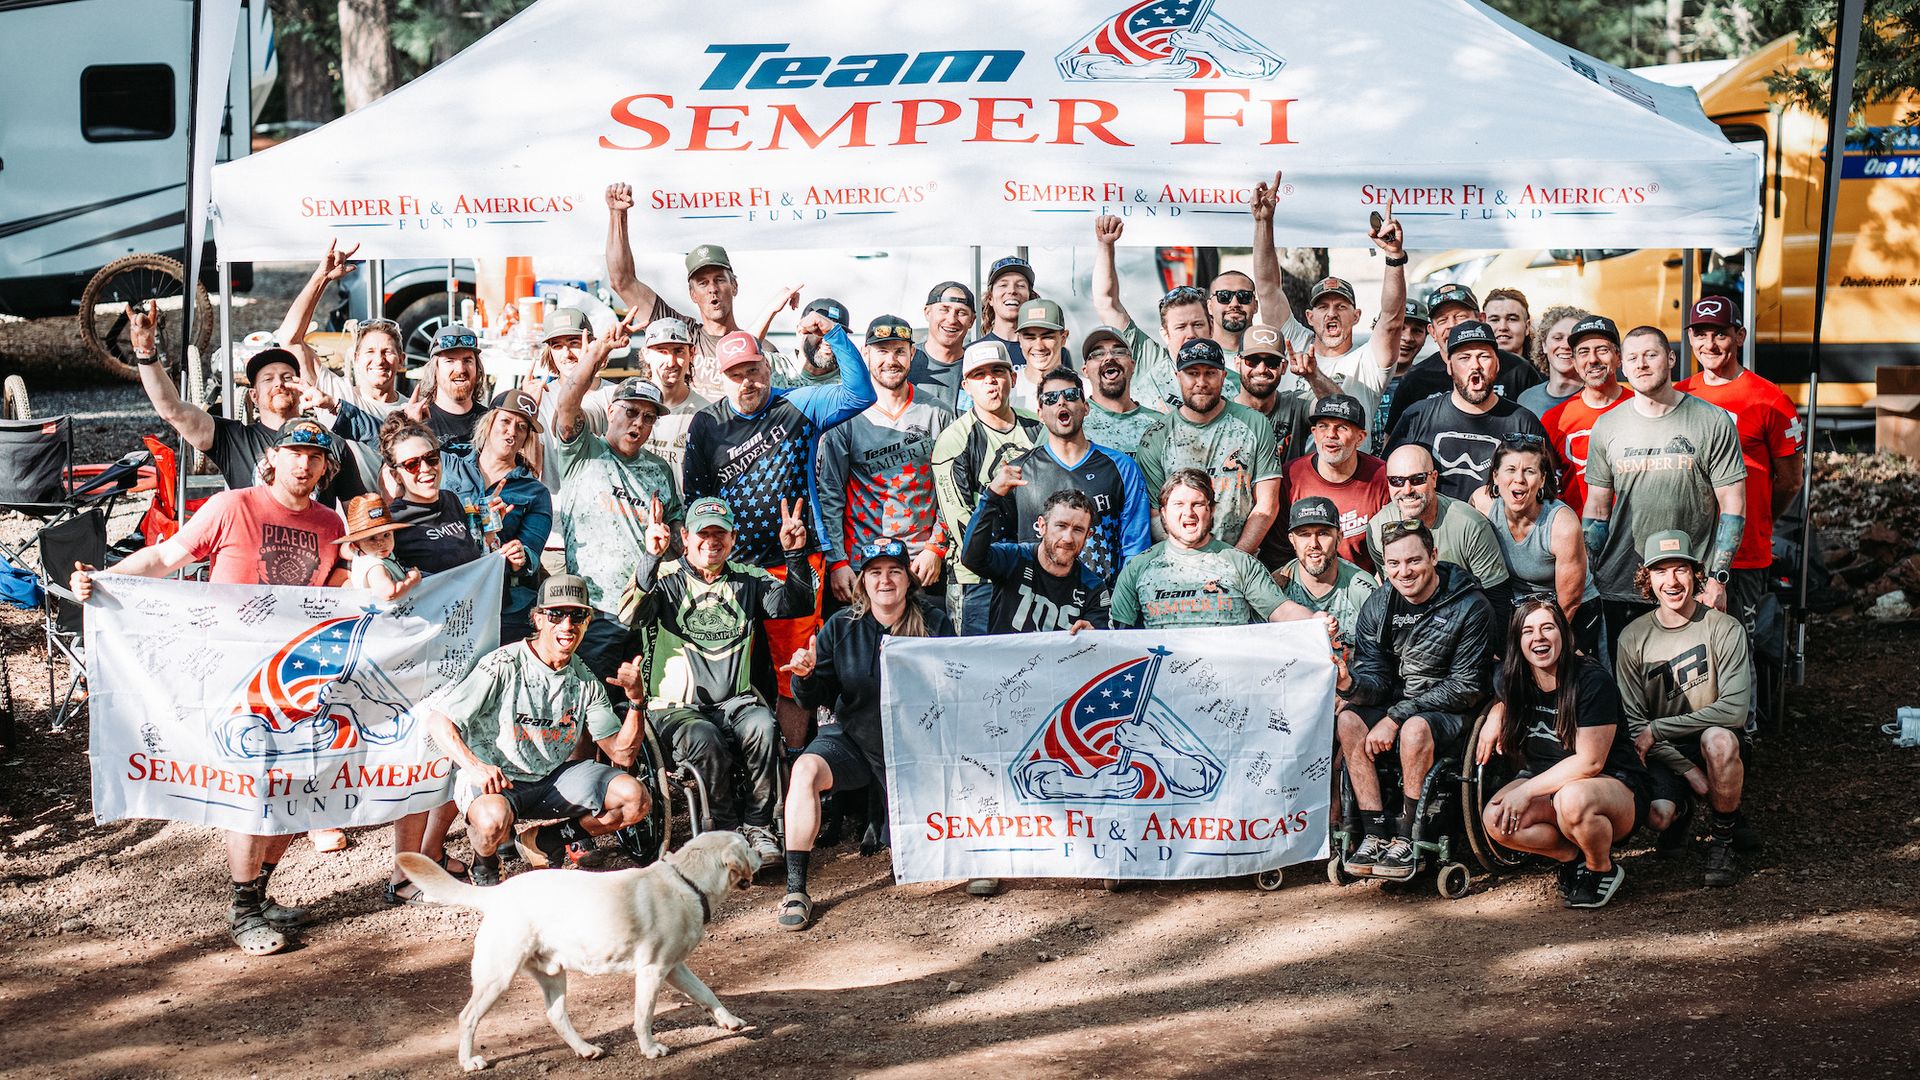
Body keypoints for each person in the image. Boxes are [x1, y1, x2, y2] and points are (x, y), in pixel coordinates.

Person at [70, 419, 347, 955]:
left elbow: (343, 586)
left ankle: (259, 895)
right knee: (252, 790)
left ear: (324, 466)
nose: (304, 464)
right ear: (274, 455)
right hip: (231, 678)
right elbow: (165, 557)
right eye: (294, 452)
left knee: (293, 791)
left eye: (315, 456)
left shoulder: (328, 522)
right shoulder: (233, 506)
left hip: (298, 680)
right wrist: (105, 580)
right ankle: (243, 908)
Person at [682, 314, 876, 747]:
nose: (746, 382)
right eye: (736, 374)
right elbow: (695, 501)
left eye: (753, 370)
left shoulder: (797, 405)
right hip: (731, 570)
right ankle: (743, 768)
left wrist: (834, 335)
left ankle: (791, 763)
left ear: (767, 368)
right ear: (721, 377)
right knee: (727, 675)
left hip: (796, 563)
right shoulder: (706, 424)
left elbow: (860, 393)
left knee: (795, 672)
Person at [620, 496, 818, 865]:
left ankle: (759, 825)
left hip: (736, 702)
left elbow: (798, 605)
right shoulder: (663, 578)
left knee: (763, 726)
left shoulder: (749, 578)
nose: (711, 541)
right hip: (676, 709)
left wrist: (794, 554)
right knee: (705, 739)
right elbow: (630, 615)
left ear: (733, 538)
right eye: (702, 534)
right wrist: (651, 556)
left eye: (719, 534)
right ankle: (725, 831)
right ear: (684, 536)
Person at [426, 574, 653, 887]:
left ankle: (545, 841)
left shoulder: (586, 680)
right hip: (499, 779)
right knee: (491, 820)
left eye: (577, 615)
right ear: (537, 618)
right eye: (555, 615)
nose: (567, 625)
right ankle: (486, 861)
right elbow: (439, 721)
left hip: (552, 778)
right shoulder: (503, 664)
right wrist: (476, 767)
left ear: (588, 621)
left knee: (636, 799)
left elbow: (622, 754)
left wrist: (637, 702)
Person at [779, 536, 953, 930]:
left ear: (909, 579)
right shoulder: (841, 627)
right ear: (862, 582)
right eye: (875, 573)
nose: (885, 580)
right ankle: (795, 889)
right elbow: (815, 695)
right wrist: (805, 676)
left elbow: (958, 683)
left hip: (917, 751)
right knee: (804, 770)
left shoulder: (936, 622)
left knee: (913, 865)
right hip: (856, 740)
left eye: (894, 571)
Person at [1333, 519, 1495, 880]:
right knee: (1348, 719)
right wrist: (1350, 684)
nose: (1403, 572)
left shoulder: (1470, 606)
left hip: (1449, 711)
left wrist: (1395, 718)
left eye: (1413, 561)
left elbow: (1466, 686)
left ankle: (1408, 838)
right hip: (1396, 705)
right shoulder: (1379, 605)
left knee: (1414, 729)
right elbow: (1375, 678)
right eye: (1393, 564)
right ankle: (1374, 832)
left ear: (1433, 556)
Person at [1582, 325, 1746, 657]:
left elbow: (1732, 505)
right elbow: (1597, 511)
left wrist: (1717, 579)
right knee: (1626, 689)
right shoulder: (1607, 426)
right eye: (1632, 358)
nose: (1641, 364)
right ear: (1622, 367)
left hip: (1690, 585)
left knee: (1693, 687)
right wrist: (1587, 574)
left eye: (1650, 355)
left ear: (1670, 358)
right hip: (1621, 585)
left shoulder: (1711, 421)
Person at [1475, 598, 1649, 909]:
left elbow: (1590, 762)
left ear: (1564, 635)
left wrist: (1526, 791)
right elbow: (1501, 697)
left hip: (1612, 787)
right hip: (1548, 783)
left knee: (1571, 799)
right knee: (1496, 820)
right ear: (1518, 642)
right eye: (1527, 631)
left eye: (1547, 628)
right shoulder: (1514, 679)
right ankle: (1571, 857)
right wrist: (1494, 715)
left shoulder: (1592, 681)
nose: (1538, 637)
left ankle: (1601, 868)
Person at [1615, 531, 1754, 886]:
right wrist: (1688, 771)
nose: (1672, 581)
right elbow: (1634, 725)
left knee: (1718, 740)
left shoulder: (1724, 628)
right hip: (1665, 753)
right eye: (1660, 572)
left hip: (1716, 738)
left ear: (1696, 575)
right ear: (1648, 579)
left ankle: (1722, 840)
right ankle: (1684, 812)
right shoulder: (1632, 637)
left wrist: (1659, 729)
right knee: (1658, 816)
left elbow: (1735, 711)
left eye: (1680, 570)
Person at [550, 317, 681, 681]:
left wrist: (673, 539)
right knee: (593, 711)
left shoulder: (659, 470)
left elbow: (677, 536)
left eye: (649, 417)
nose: (638, 423)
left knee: (642, 707)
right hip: (594, 610)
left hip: (647, 607)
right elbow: (566, 405)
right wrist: (598, 352)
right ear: (611, 411)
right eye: (631, 412)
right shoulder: (582, 450)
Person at [1674, 296, 1805, 637]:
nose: (1709, 344)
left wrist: (1760, 519)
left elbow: (1790, 481)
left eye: (1719, 333)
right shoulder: (1677, 394)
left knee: (1738, 651)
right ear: (1689, 338)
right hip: (1684, 548)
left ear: (1740, 335)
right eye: (1700, 334)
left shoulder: (1770, 399)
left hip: (1743, 555)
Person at [127, 300, 347, 500]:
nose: (279, 383)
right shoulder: (233, 439)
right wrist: (146, 354)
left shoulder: (330, 442)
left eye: (287, 377)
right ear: (253, 395)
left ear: (299, 389)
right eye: (268, 379)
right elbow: (172, 410)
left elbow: (355, 512)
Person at [816, 314, 956, 604]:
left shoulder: (937, 413)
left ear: (912, 353)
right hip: (862, 564)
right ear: (865, 353)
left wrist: (936, 547)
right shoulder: (846, 417)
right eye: (882, 351)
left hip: (920, 563)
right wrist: (838, 561)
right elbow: (829, 494)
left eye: (899, 351)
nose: (890, 360)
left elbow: (951, 489)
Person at [1252, 177, 1404, 426]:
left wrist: (1394, 256)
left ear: (1356, 316)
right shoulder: (1294, 340)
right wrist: (1262, 222)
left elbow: (1391, 319)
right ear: (1310, 316)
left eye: (1341, 306)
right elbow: (1268, 287)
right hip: (1289, 466)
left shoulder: (1367, 362)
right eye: (1322, 307)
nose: (1331, 313)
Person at [604, 183, 775, 396]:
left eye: (719, 280)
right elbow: (623, 282)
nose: (712, 289)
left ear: (734, 286)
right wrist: (617, 215)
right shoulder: (681, 334)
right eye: (702, 283)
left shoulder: (760, 349)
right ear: (693, 294)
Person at [994, 368, 1151, 588]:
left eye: (1070, 395)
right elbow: (999, 550)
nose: (1061, 402)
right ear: (1039, 412)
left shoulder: (1122, 467)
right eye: (1050, 398)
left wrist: (1122, 606)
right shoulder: (1017, 472)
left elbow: (1135, 548)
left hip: (1101, 605)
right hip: (1035, 604)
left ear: (1085, 407)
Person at [931, 340, 1045, 635]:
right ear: (966, 385)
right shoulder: (955, 439)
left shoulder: (1037, 427)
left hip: (1035, 574)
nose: (991, 381)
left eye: (998, 371)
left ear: (1013, 378)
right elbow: (959, 522)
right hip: (976, 580)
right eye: (980, 375)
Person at [1110, 469, 1318, 630]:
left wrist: (1315, 620)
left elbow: (1280, 610)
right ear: (1163, 513)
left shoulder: (1240, 563)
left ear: (1212, 510)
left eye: (1198, 504)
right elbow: (1117, 635)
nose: (1188, 513)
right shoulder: (1138, 567)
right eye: (1178, 504)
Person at [1136, 339, 1283, 554]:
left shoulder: (1255, 424)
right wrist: (1190, 559)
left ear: (1224, 376)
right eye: (1192, 373)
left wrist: (1236, 558)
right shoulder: (1156, 436)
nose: (1201, 382)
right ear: (1178, 377)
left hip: (1241, 559)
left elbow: (1267, 505)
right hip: (1180, 564)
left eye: (1210, 373)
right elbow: (1156, 514)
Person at [1386, 320, 1550, 503]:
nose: (1475, 365)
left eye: (1484, 356)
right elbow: (1388, 481)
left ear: (1497, 364)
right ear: (1449, 366)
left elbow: (1545, 492)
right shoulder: (1417, 416)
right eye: (1464, 357)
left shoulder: (1523, 422)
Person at [1091, 215, 1241, 410]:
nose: (1191, 335)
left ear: (1211, 326)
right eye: (1180, 327)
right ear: (1165, 334)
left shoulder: (1233, 381)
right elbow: (1106, 302)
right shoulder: (1149, 359)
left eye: (1198, 324)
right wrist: (1105, 246)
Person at [1471, 437, 1599, 655]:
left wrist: (1537, 641)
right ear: (1495, 476)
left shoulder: (1561, 524)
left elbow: (1569, 603)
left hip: (1567, 611)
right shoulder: (1482, 504)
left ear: (1542, 480)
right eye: (1510, 469)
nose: (1518, 479)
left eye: (1529, 471)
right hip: (1515, 608)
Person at [455, 389, 553, 643]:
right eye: (506, 422)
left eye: (521, 427)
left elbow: (531, 554)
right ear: (489, 423)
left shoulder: (535, 492)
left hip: (504, 606)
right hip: (448, 594)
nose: (512, 432)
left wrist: (520, 556)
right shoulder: (449, 466)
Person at [965, 468, 1114, 634]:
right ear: (1042, 526)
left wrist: (1093, 636)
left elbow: (1102, 647)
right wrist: (991, 497)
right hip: (1005, 659)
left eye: (1078, 530)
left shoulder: (1093, 588)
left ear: (1088, 535)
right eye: (1061, 526)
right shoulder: (1014, 558)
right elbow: (972, 558)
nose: (1068, 538)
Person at [1382, 283, 1541, 437]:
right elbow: (1393, 443)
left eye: (1460, 317)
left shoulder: (1517, 369)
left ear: (1481, 319)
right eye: (1443, 320)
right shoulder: (1416, 378)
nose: (1452, 326)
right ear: (1432, 331)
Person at [1365, 444, 1510, 611]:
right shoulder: (1377, 528)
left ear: (1433, 478)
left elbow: (1497, 599)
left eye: (1417, 479)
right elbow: (1391, 590)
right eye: (1397, 481)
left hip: (1464, 619)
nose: (1407, 490)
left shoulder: (1470, 525)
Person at [1285, 394, 1390, 573]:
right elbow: (1279, 551)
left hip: (1368, 583)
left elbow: (1394, 545)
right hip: (1305, 582)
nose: (1331, 435)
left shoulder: (1382, 476)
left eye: (1342, 427)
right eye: (1323, 426)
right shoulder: (1291, 476)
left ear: (1360, 437)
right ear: (1314, 433)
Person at [1541, 316, 1636, 514]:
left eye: (1602, 350)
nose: (1593, 359)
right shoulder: (1554, 420)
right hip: (1578, 534)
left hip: (1635, 532)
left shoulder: (1641, 407)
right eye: (1584, 352)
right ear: (1575, 362)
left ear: (1618, 357)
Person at [1272, 496, 1378, 647]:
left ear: (1339, 538)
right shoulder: (1275, 586)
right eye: (1304, 534)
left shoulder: (1363, 588)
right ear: (1292, 540)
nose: (1313, 544)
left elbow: (1379, 655)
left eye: (1323, 534)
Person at [636, 317, 712, 476]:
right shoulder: (627, 406)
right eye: (662, 351)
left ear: (691, 353)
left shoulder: (705, 415)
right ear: (646, 354)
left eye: (678, 351)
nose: (671, 362)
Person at [1079, 325, 1162, 455]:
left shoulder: (1160, 425)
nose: (1109, 358)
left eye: (1119, 352)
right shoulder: (1072, 421)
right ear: (1085, 370)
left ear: (1132, 365)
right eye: (1098, 354)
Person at [1367, 299, 1435, 454]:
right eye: (1398, 328)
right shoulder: (1359, 377)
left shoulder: (1427, 384)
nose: (1407, 337)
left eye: (1417, 330)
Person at [909, 281, 978, 412]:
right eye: (944, 310)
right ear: (927, 312)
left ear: (972, 321)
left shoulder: (978, 367)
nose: (952, 320)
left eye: (961, 312)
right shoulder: (905, 361)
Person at [338, 493, 421, 601]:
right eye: (372, 538)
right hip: (387, 616)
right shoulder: (375, 566)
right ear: (356, 545)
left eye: (386, 535)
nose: (381, 542)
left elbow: (344, 551)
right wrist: (410, 580)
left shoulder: (369, 553)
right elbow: (389, 593)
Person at [757, 292, 848, 388]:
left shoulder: (846, 381)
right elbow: (741, 350)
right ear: (800, 331)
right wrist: (771, 310)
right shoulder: (773, 365)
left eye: (837, 334)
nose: (828, 341)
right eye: (820, 331)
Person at [1516, 304, 1588, 419]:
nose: (1565, 345)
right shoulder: (1526, 400)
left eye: (1573, 339)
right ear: (1544, 345)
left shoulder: (1598, 399)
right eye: (1558, 338)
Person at [1011, 299, 1072, 413]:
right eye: (1030, 337)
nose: (1039, 346)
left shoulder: (1085, 390)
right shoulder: (1007, 390)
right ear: (1019, 339)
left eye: (1047, 337)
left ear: (1063, 338)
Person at [978, 255, 1035, 351]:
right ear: (990, 298)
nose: (1012, 290)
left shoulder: (1047, 352)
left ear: (1030, 297)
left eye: (1021, 285)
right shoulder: (975, 351)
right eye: (1003, 285)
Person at [1482, 287, 1535, 367]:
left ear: (1527, 327)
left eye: (1512, 319)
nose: (1503, 327)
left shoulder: (1547, 376)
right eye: (1494, 320)